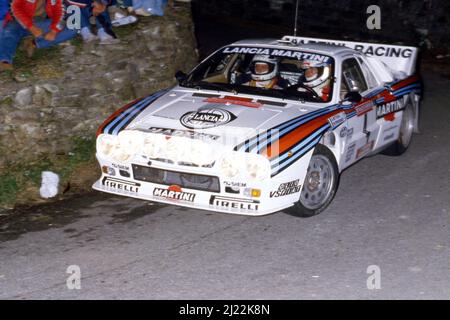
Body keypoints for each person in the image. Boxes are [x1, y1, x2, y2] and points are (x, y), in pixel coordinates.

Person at [0, 0, 78, 71]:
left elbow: (60, 13)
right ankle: (5, 61)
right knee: (9, 32)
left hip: (40, 23)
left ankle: (33, 43)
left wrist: (54, 31)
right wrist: (31, 27)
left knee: (72, 28)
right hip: (18, 22)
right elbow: (15, 8)